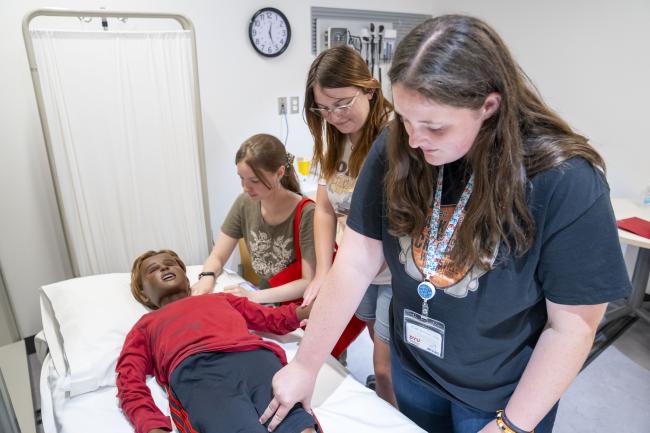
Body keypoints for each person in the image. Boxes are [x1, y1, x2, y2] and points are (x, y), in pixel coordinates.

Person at [261, 15, 632, 433]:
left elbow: (573, 325)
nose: (415, 139)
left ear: (488, 107)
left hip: (501, 394)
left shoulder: (564, 180)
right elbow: (357, 260)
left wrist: (510, 425)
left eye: (434, 126)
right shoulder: (397, 145)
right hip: (415, 370)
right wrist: (306, 365)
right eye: (404, 119)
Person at [116, 249, 316, 433]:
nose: (164, 267)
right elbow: (129, 380)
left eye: (170, 264)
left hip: (256, 360)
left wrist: (309, 310)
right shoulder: (145, 326)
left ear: (187, 280)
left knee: (296, 423)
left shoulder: (222, 299)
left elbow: (271, 318)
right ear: (143, 294)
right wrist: (151, 425)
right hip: (199, 375)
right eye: (153, 269)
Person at [301, 45, 396, 405]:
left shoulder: (395, 137)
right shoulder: (334, 138)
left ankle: (394, 415)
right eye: (323, 109)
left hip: (395, 273)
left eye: (341, 104)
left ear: (369, 89)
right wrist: (324, 271)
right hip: (356, 270)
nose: (334, 116)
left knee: (385, 367)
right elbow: (324, 208)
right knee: (377, 344)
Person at [192, 134, 316, 304]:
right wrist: (207, 277)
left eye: (254, 181)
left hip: (297, 306)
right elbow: (218, 255)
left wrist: (255, 297)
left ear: (279, 173)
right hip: (265, 298)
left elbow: (308, 281)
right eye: (241, 178)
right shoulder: (245, 203)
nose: (245, 188)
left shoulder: (307, 213)